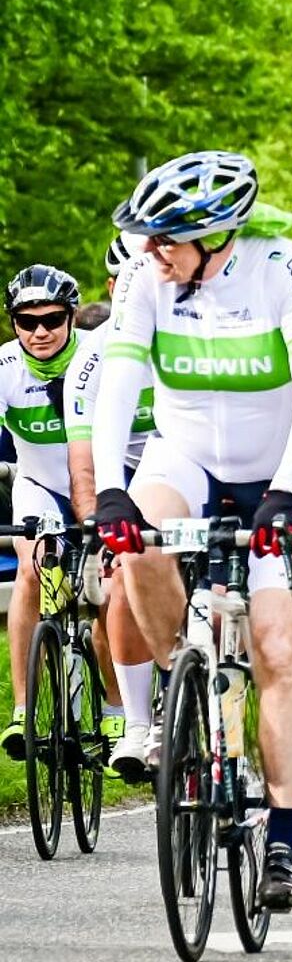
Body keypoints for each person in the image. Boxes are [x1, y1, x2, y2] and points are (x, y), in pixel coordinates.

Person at [93, 151, 292, 910]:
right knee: (137, 544)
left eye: (166, 239)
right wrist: (109, 489)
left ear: (216, 236)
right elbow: (119, 386)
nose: (150, 251)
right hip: (187, 451)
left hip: (288, 464)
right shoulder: (144, 277)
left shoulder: (282, 269)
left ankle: (286, 841)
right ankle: (179, 683)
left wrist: (286, 494)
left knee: (276, 645)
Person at [65, 233, 157, 749]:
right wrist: (96, 521)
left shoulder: (188, 343)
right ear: (113, 286)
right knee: (122, 580)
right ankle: (136, 722)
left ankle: (229, 735)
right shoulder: (93, 357)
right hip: (121, 482)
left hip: (183, 476)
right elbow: (84, 460)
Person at [0, 266, 84, 760]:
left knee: (116, 590)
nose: (40, 332)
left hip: (100, 483)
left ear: (71, 317)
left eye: (52, 319)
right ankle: (23, 707)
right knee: (30, 569)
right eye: (26, 321)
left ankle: (123, 714)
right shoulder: (7, 365)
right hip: (40, 486)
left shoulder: (96, 356)